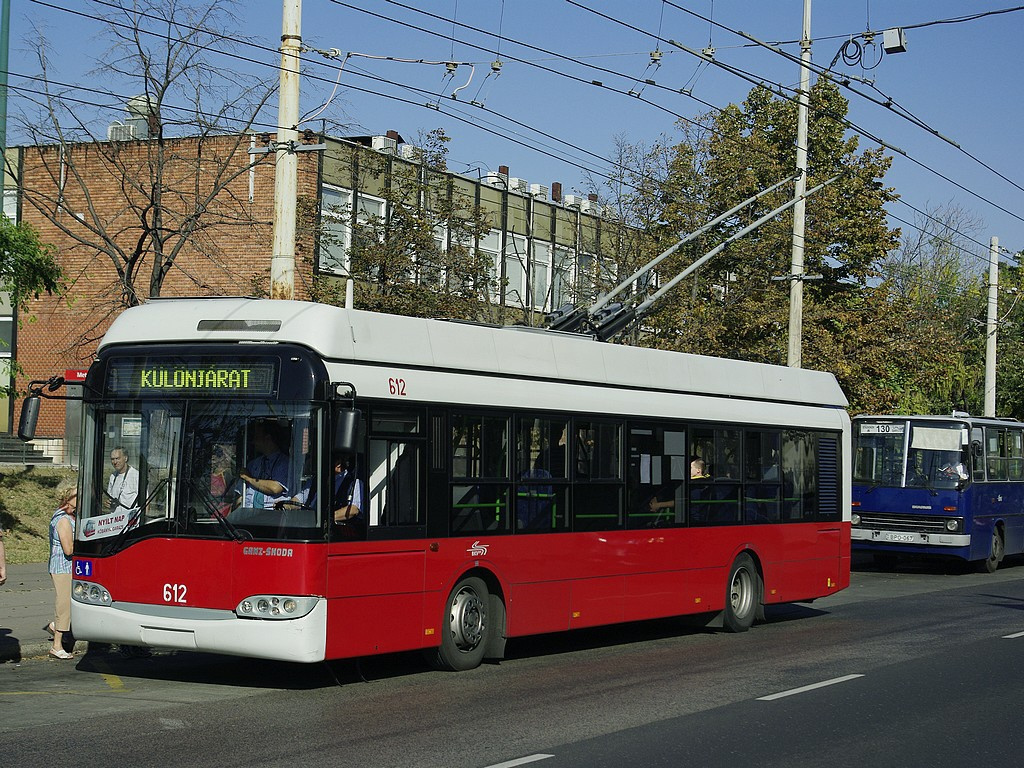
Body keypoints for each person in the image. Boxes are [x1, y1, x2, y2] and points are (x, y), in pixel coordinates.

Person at [47, 482, 77, 660]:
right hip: (62, 567)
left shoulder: (68, 516)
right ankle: (56, 646)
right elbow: (68, 549)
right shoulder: (63, 519)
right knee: (64, 605)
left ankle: (56, 626)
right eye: (76, 496)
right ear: (67, 497)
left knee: (68, 605)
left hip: (65, 566)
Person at [237, 421, 290, 509]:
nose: (253, 442)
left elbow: (275, 488)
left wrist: (249, 479)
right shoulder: (253, 464)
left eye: (257, 437)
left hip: (271, 515)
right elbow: (240, 494)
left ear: (268, 438)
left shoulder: (285, 463)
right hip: (247, 515)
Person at [106, 446, 140, 519]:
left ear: (125, 458)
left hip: (131, 521)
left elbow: (146, 501)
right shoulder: (113, 476)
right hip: (115, 522)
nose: (115, 462)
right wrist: (108, 503)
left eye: (117, 458)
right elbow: (109, 498)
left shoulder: (136, 475)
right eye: (112, 459)